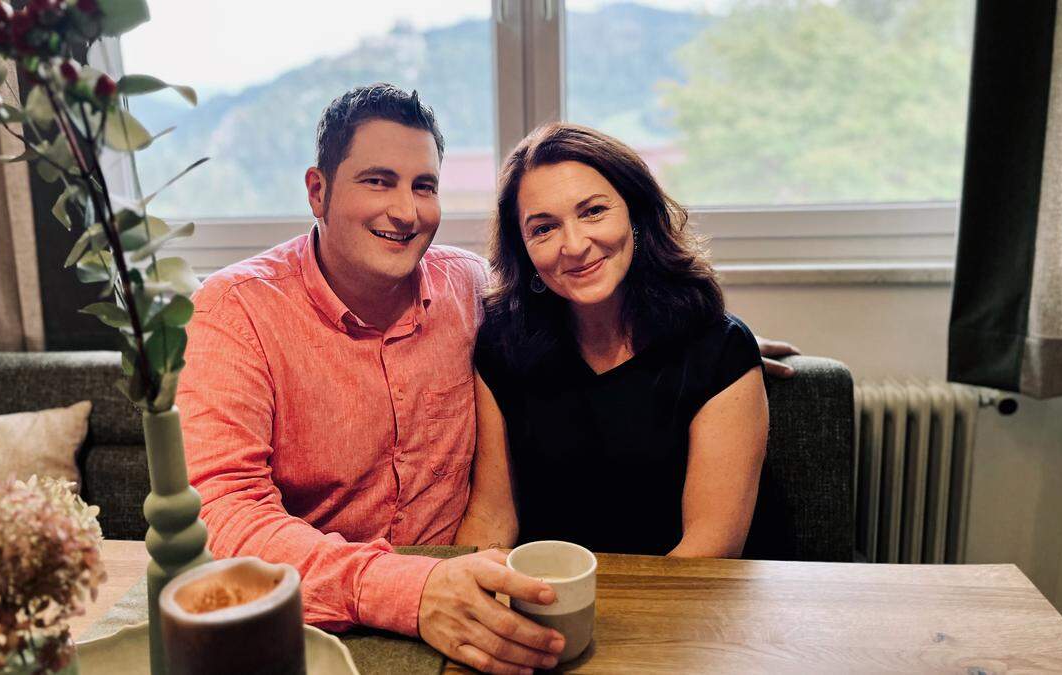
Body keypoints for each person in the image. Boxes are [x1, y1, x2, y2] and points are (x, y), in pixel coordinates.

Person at [179, 84, 798, 675]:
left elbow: (597, 306)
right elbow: (221, 512)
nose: (404, 210)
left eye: (424, 185)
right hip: (324, 614)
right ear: (318, 191)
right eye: (378, 181)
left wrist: (715, 345)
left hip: (489, 605)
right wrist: (412, 590)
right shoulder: (237, 309)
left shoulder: (468, 290)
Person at [456, 123, 769, 558]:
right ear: (523, 249)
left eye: (593, 212)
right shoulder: (503, 344)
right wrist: (464, 590)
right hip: (542, 598)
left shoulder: (719, 350)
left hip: (675, 602)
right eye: (544, 228)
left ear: (636, 216)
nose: (575, 244)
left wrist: (607, 621)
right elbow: (492, 514)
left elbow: (709, 547)